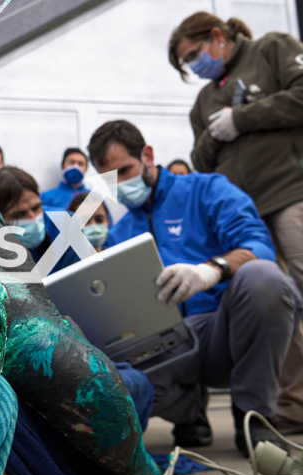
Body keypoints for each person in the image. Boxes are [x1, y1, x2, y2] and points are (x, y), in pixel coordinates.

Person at [88, 120, 302, 457]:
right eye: (111, 179)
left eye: (126, 169)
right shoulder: (120, 233)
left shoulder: (208, 190)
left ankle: (254, 415)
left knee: (265, 279)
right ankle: (189, 411)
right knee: (116, 377)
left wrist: (211, 270)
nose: (123, 183)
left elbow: (260, 248)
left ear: (147, 154)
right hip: (166, 344)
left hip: (223, 331)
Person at [169, 12, 303, 434]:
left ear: (216, 36)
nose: (196, 66)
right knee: (277, 304)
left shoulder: (274, 48)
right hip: (243, 215)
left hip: (290, 194)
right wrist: (217, 130)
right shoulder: (204, 100)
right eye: (187, 64)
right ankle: (291, 405)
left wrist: (243, 117)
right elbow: (201, 161)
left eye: (195, 54)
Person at [0, 166, 77, 273]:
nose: (33, 218)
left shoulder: (67, 224)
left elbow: (74, 280)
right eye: (19, 214)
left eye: (36, 208)